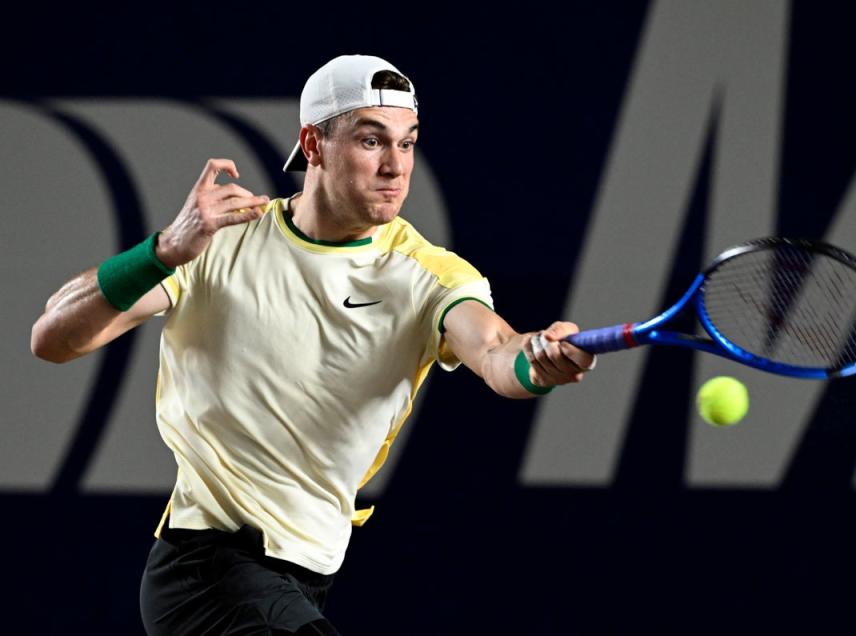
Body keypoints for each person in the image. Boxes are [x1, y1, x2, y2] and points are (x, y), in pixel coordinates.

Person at [30, 54, 596, 635]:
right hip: (206, 568)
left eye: (407, 143)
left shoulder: (429, 274)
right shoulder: (221, 245)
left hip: (307, 571)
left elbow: (498, 352)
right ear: (314, 144)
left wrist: (537, 361)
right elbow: (52, 337)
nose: (395, 167)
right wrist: (164, 251)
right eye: (372, 141)